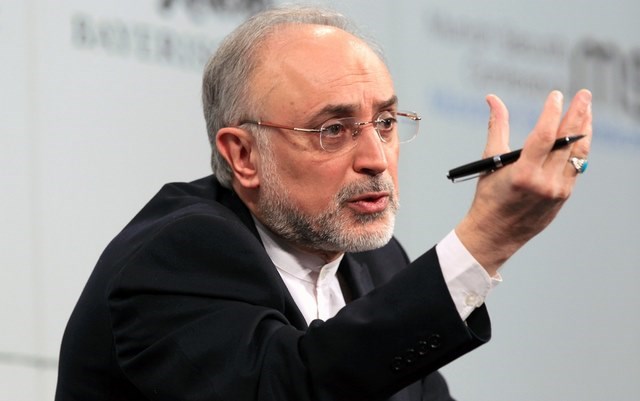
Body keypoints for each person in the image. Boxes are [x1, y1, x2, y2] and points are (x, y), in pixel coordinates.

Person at [55, 5, 592, 401]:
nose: (376, 159)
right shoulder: (178, 253)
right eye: (333, 129)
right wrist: (484, 241)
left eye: (385, 122)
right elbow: (292, 388)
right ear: (243, 155)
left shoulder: (378, 263)